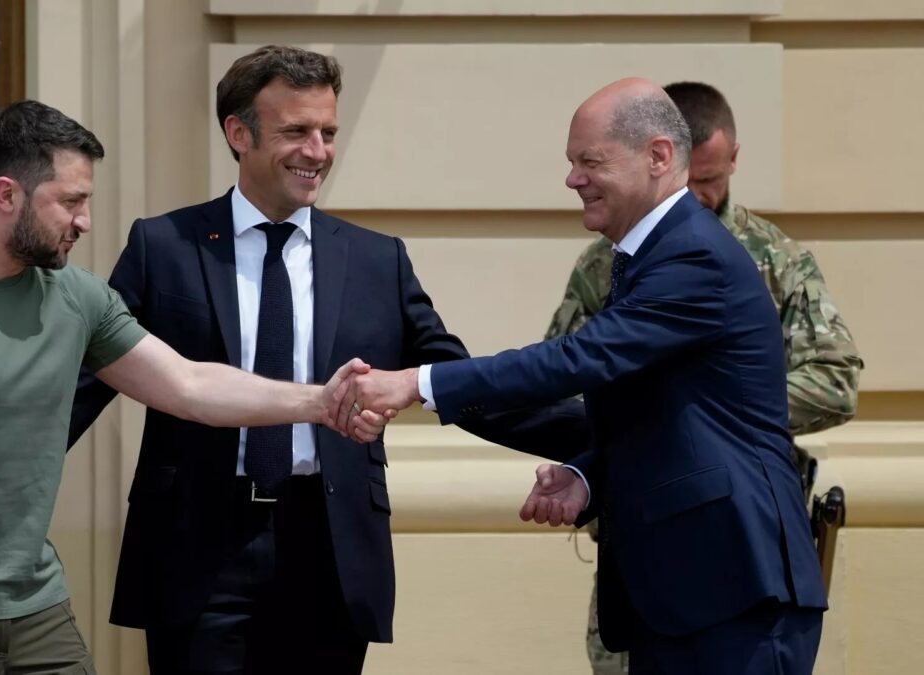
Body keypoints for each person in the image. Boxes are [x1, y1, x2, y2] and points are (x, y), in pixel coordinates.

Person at [67, 45, 588, 675]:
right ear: (238, 134)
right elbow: (86, 382)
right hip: (196, 548)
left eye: (328, 133)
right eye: (296, 132)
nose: (317, 152)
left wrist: (600, 441)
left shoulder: (377, 261)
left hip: (330, 547)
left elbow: (456, 381)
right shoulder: (164, 246)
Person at [0, 99, 381, 675]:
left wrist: (319, 402)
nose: (84, 221)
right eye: (70, 202)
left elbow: (188, 384)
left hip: (38, 607)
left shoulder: (78, 296)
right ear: (7, 194)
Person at [341, 78, 827, 675]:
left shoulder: (693, 254)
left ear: (657, 156)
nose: (573, 180)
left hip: (734, 589)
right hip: (686, 595)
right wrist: (588, 475)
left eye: (590, 162)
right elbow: (666, 414)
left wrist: (417, 383)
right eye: (572, 163)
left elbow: (579, 358)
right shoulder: (651, 254)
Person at [545, 80, 863, 674]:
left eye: (708, 179)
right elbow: (567, 372)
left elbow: (836, 380)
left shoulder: (774, 258)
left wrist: (712, 405)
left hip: (740, 550)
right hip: (639, 538)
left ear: (731, 158)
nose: (691, 193)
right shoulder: (609, 261)